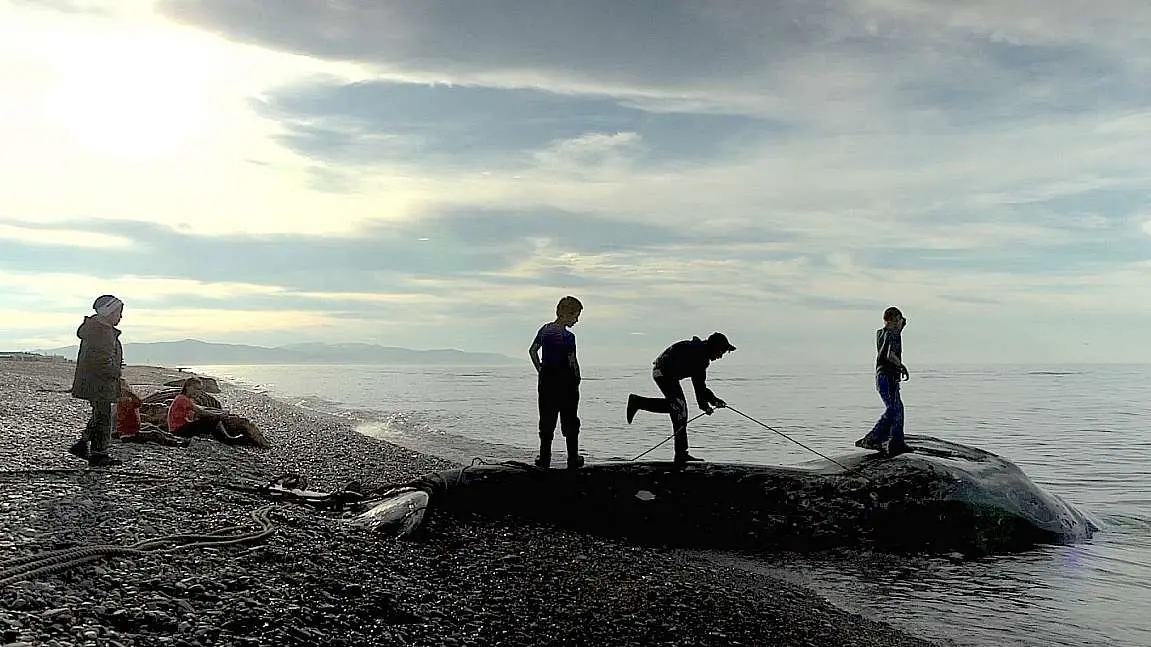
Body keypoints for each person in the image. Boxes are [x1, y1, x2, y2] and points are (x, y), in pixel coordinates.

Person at [626, 332, 735, 465]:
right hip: (662, 372)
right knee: (679, 408)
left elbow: (700, 386)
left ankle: (681, 453)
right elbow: (699, 386)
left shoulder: (701, 353)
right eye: (721, 352)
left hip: (667, 373)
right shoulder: (700, 355)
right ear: (714, 347)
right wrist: (707, 403)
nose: (720, 356)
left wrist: (711, 401)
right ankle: (637, 402)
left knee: (679, 410)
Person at [68, 294, 126, 467]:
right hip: (100, 382)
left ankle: (83, 443)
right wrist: (116, 373)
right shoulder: (103, 332)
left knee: (100, 414)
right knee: (103, 418)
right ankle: (99, 453)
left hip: (93, 381)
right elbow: (102, 361)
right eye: (118, 312)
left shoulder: (95, 329)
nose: (120, 317)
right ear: (108, 312)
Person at [528, 296, 584, 469]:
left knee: (546, 421)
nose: (577, 320)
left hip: (546, 383)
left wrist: (540, 369)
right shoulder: (568, 337)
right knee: (570, 422)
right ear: (567, 314)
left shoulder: (545, 330)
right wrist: (578, 378)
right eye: (576, 316)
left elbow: (532, 351)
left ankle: (544, 459)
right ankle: (573, 458)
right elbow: (572, 361)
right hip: (566, 384)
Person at [856, 306, 911, 456]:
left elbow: (888, 342)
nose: (902, 322)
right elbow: (889, 354)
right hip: (888, 377)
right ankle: (872, 438)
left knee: (898, 408)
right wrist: (901, 366)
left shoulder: (880, 333)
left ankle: (896, 442)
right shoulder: (893, 334)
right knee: (894, 409)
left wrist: (900, 327)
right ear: (894, 319)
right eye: (900, 319)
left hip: (882, 377)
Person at [168, 377, 244, 444]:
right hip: (178, 431)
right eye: (196, 388)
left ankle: (223, 438)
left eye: (200, 389)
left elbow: (200, 411)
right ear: (188, 387)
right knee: (213, 419)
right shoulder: (182, 399)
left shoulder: (184, 398)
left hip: (178, 429)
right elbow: (201, 412)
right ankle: (227, 439)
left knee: (210, 418)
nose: (198, 391)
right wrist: (219, 416)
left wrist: (218, 412)